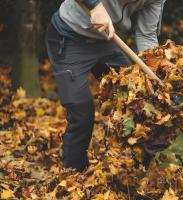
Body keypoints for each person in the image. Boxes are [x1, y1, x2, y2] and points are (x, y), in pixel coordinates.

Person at [45, 0, 165, 172]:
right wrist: (95, 5)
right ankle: (73, 175)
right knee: (81, 110)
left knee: (137, 97)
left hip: (106, 41)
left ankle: (143, 171)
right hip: (68, 38)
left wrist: (155, 74)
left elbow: (146, 35)